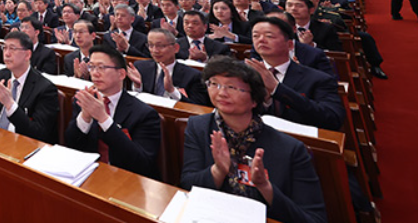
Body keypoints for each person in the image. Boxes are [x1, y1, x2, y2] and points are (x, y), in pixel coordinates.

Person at [181, 57, 327, 223]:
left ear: (255, 99)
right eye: (214, 84)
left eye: (231, 87)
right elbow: (187, 184)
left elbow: (314, 219)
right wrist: (218, 171)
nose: (221, 93)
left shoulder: (290, 149)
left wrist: (266, 187)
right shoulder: (199, 127)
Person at [64, 44, 162, 179]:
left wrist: (104, 120)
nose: (95, 73)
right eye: (91, 67)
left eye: (102, 67)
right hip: (91, 174)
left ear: (121, 74)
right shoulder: (84, 100)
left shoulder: (144, 114)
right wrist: (85, 117)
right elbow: (71, 145)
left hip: (127, 179)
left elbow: (142, 163)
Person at [245, 17, 344, 131]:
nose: (261, 40)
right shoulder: (244, 73)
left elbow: (333, 119)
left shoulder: (318, 79)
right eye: (256, 36)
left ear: (290, 45)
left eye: (269, 36)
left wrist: (277, 89)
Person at [0, 30, 59, 144]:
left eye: (12, 48)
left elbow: (39, 133)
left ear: (27, 55)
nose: (7, 54)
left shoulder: (45, 88)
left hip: (21, 143)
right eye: (5, 48)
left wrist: (10, 105)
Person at [127, 29, 208, 106]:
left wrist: (172, 90)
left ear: (176, 48)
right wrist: (137, 86)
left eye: (160, 46)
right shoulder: (140, 67)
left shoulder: (193, 76)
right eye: (151, 45)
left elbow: (199, 108)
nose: (155, 51)